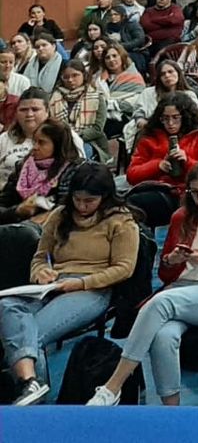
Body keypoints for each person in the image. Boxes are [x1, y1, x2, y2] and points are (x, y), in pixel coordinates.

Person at [87, 158, 198, 405]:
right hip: (183, 289)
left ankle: (113, 386)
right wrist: (172, 261)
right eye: (194, 193)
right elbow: (165, 276)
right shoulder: (181, 217)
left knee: (161, 302)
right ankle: (172, 411)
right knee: (164, 335)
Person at [0, 162, 139, 405]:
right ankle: (31, 384)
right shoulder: (60, 215)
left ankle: (33, 398)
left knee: (34, 332)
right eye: (78, 199)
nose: (82, 206)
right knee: (7, 305)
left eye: (90, 201)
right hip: (53, 285)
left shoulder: (121, 222)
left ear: (105, 198)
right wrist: (41, 272)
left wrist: (80, 283)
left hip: (92, 289)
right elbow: (40, 256)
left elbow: (123, 269)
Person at [126, 91, 198, 226]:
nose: (170, 123)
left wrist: (187, 161)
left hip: (185, 194)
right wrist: (158, 166)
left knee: (137, 204)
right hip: (153, 188)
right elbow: (131, 175)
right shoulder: (150, 138)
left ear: (186, 117)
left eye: (176, 117)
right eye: (165, 118)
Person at [45, 61, 107, 154]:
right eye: (66, 77)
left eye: (75, 75)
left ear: (84, 75)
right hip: (59, 141)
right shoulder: (52, 98)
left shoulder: (97, 97)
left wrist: (73, 137)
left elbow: (97, 129)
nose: (70, 80)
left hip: (89, 141)